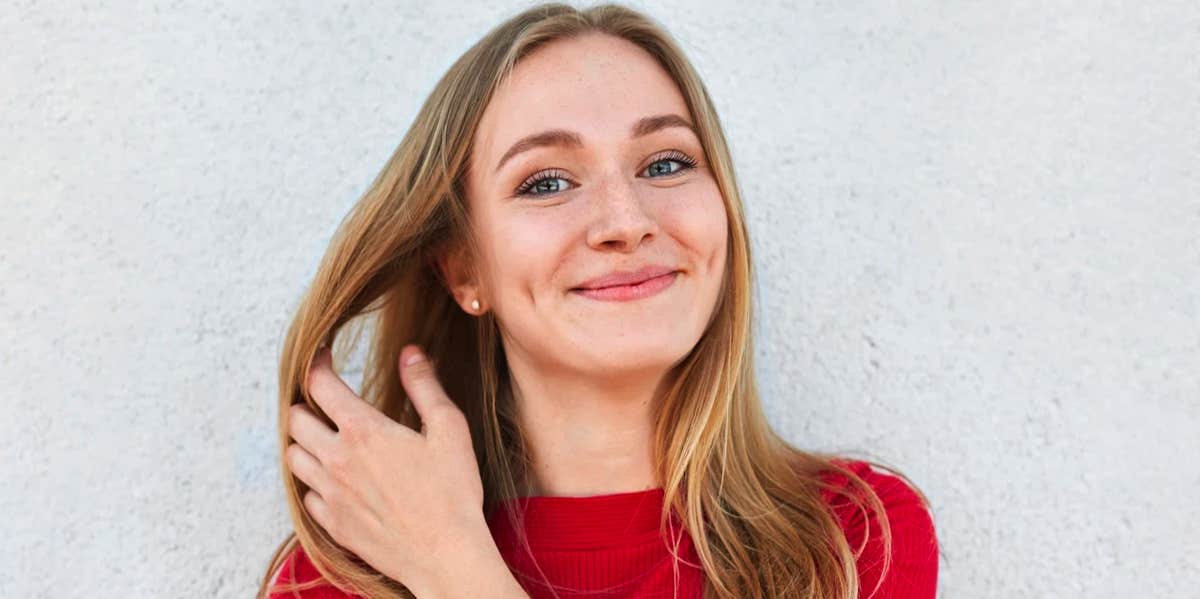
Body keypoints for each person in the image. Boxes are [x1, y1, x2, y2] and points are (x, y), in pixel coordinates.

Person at [258, 3, 939, 598]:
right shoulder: (338, 579)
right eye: (547, 181)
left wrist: (453, 569)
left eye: (665, 163)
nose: (626, 219)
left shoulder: (852, 540)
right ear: (465, 270)